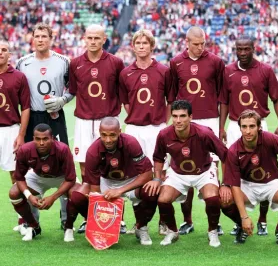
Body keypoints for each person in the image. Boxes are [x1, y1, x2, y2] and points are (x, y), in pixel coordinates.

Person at [219, 35, 278, 236]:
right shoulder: (228, 71)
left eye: (246, 49)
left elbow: (277, 98)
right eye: (239, 49)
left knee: (263, 169)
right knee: (234, 172)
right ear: (235, 49)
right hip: (234, 125)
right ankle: (240, 220)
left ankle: (263, 220)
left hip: (259, 125)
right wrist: (221, 126)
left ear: (253, 49)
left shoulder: (265, 70)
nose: (243, 52)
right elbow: (224, 101)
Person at [145, 100, 227, 247]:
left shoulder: (204, 133)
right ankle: (172, 231)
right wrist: (157, 178)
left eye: (182, 116)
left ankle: (213, 232)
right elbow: (158, 158)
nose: (178, 120)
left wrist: (226, 183)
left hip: (204, 171)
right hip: (178, 173)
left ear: (190, 117)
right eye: (175, 116)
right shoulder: (164, 134)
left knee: (213, 198)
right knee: (162, 200)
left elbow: (225, 155)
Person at [64, 117, 158, 245]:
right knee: (78, 196)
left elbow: (147, 174)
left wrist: (120, 191)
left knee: (151, 191)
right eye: (104, 135)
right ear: (99, 132)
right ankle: (93, 227)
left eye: (112, 135)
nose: (108, 140)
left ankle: (141, 227)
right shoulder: (93, 151)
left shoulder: (131, 142)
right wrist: (105, 208)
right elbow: (95, 190)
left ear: (119, 131)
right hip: (106, 181)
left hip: (131, 179)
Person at [16, 23, 74, 230]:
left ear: (51, 38)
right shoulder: (22, 63)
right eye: (37, 36)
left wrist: (62, 100)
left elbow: (73, 89)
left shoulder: (64, 62)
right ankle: (29, 220)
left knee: (63, 164)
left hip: (55, 117)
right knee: (29, 164)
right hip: (32, 117)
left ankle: (66, 218)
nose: (40, 39)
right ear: (32, 38)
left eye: (44, 36)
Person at [69, 24, 124, 233]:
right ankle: (92, 214)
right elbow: (74, 90)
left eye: (97, 38)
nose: (93, 41)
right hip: (83, 121)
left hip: (108, 122)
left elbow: (121, 92)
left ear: (104, 40)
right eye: (89, 38)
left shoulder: (116, 62)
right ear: (84, 39)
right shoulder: (75, 63)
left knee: (112, 168)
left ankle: (116, 214)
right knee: (85, 168)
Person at [170, 26, 225, 236]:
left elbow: (222, 96)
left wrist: (220, 127)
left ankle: (215, 222)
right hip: (185, 122)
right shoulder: (176, 62)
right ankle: (187, 220)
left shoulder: (216, 62)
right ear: (187, 42)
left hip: (210, 119)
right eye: (196, 44)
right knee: (185, 168)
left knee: (213, 171)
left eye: (203, 43)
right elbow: (173, 95)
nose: (200, 47)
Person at [119, 29, 175, 235]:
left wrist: (162, 122)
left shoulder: (164, 70)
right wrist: (136, 116)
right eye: (138, 43)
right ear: (133, 47)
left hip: (157, 128)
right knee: (135, 175)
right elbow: (125, 102)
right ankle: (139, 223)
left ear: (152, 46)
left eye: (145, 43)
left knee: (160, 173)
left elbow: (170, 100)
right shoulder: (125, 73)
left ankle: (163, 221)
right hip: (134, 128)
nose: (141, 46)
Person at [222, 110, 278, 245]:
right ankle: (241, 226)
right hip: (247, 185)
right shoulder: (233, 150)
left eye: (252, 126)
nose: (248, 131)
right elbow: (234, 185)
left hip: (272, 182)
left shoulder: (270, 139)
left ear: (259, 127)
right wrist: (244, 217)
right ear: (239, 128)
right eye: (244, 127)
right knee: (224, 200)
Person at [9, 124, 77, 241]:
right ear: (33, 138)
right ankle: (33, 225)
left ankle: (68, 226)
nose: (41, 143)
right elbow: (19, 178)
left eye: (45, 139)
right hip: (38, 176)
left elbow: (70, 179)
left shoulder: (63, 149)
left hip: (62, 177)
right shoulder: (25, 150)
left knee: (77, 194)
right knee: (14, 193)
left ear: (52, 138)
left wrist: (53, 197)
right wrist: (29, 196)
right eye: (38, 139)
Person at [0, 40, 30, 233]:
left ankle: (24, 219)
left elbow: (25, 107)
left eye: (3, 50)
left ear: (9, 54)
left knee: (16, 175)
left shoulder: (18, 77)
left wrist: (21, 134)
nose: (0, 53)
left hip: (10, 129)